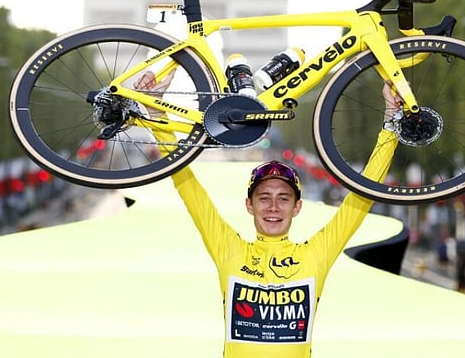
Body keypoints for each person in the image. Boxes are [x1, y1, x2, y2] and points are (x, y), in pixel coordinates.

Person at [141, 72, 399, 357]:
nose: (273, 207)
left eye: (283, 198)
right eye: (264, 198)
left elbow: (362, 195)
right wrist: (155, 113)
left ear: (297, 207)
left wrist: (390, 120)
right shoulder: (229, 249)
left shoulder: (315, 254)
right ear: (249, 205)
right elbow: (187, 184)